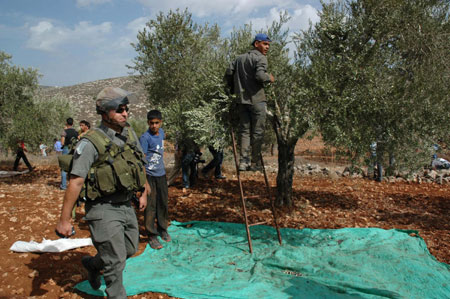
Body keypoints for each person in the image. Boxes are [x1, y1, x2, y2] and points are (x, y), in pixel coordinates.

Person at [55, 87, 148, 298]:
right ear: (105, 114)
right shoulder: (90, 143)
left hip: (125, 205)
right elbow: (75, 182)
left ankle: (93, 264)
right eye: (119, 110)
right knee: (115, 262)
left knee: (129, 249)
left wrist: (143, 190)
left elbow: (139, 162)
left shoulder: (128, 133)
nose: (125, 113)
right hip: (102, 208)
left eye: (126, 109)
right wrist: (64, 219)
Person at [225, 33, 275, 171]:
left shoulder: (239, 58)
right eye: (265, 44)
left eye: (268, 45)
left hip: (242, 101)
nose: (267, 47)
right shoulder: (261, 58)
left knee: (244, 132)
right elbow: (260, 76)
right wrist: (269, 78)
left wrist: (232, 88)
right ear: (256, 43)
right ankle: (255, 162)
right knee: (258, 132)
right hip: (257, 100)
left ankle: (243, 162)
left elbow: (229, 73)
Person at [139, 110, 171, 250]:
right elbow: (142, 160)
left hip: (161, 174)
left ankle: (163, 228)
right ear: (148, 123)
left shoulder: (162, 133)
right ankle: (151, 234)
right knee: (150, 206)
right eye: (151, 123)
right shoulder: (145, 138)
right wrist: (145, 182)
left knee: (163, 203)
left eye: (157, 123)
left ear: (161, 122)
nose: (154, 126)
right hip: (150, 176)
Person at [60, 118, 79, 190]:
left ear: (66, 123)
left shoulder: (64, 132)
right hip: (74, 149)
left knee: (64, 167)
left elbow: (62, 142)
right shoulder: (75, 132)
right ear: (73, 123)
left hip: (66, 148)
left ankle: (64, 185)